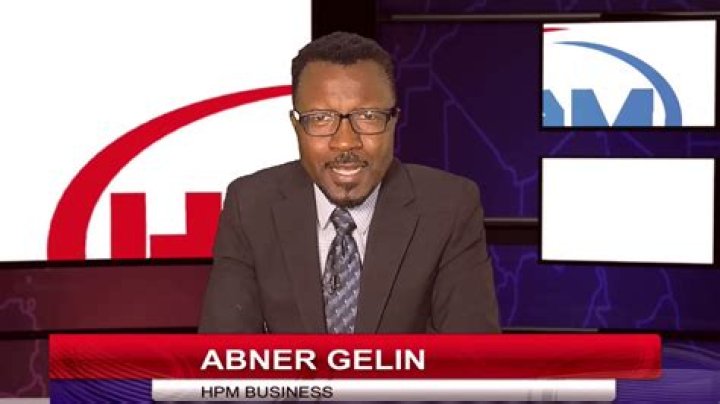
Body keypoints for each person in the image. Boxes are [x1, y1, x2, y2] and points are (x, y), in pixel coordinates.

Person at [199, 31, 500, 333]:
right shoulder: (250, 205)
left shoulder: (449, 207)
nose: (345, 142)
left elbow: (472, 353)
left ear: (393, 121)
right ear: (296, 126)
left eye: (368, 116)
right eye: (320, 118)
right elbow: (223, 352)